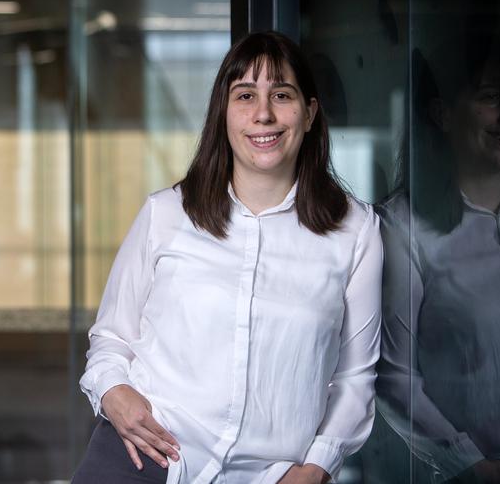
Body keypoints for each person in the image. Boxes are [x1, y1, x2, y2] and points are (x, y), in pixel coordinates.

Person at [72, 31, 383, 484]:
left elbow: (356, 375)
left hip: (268, 476)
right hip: (142, 458)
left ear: (310, 113)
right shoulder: (166, 213)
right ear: (224, 113)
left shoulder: (355, 231)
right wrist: (114, 392)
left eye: (281, 94)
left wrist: (317, 466)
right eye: (245, 96)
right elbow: (111, 338)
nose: (263, 114)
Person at [376, 32, 500, 483]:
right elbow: (395, 378)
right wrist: (477, 467)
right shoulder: (402, 227)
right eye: (491, 96)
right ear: (441, 114)